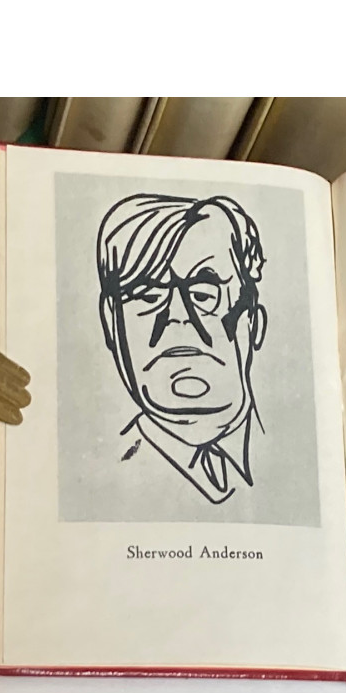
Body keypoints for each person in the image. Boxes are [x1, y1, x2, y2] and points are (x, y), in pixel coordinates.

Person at [96, 193, 268, 504]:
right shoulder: (97, 475)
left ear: (253, 320)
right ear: (111, 322)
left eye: (203, 295)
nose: (178, 315)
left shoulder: (303, 454)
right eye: (148, 296)